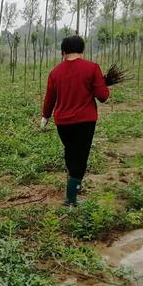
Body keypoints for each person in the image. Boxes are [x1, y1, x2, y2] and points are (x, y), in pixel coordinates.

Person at [40, 35, 110, 206]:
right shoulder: (92, 68)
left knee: (71, 153)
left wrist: (45, 117)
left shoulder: (55, 72)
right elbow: (103, 97)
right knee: (81, 156)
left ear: (63, 51)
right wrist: (102, 84)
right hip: (85, 121)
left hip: (63, 122)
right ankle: (71, 198)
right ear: (82, 49)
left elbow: (50, 98)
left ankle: (72, 191)